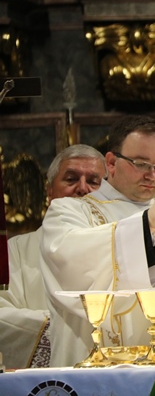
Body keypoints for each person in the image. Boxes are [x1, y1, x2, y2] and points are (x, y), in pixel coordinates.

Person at [40, 115, 155, 367]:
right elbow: (71, 265)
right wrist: (146, 224)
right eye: (141, 164)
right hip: (98, 369)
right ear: (111, 163)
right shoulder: (68, 212)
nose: (152, 175)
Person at [0, 144, 106, 369]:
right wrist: (61, 330)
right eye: (71, 179)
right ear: (49, 191)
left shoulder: (120, 248)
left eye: (93, 181)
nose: (82, 188)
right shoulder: (15, 251)